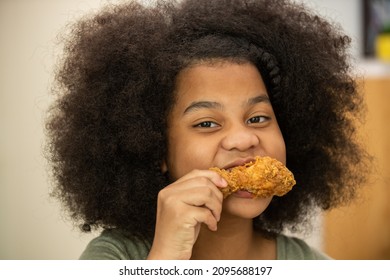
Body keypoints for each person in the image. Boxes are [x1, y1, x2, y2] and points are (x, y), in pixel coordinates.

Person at [46, 0, 371, 260]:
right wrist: (167, 260)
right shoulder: (116, 258)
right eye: (207, 123)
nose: (244, 138)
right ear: (157, 149)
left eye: (258, 118)